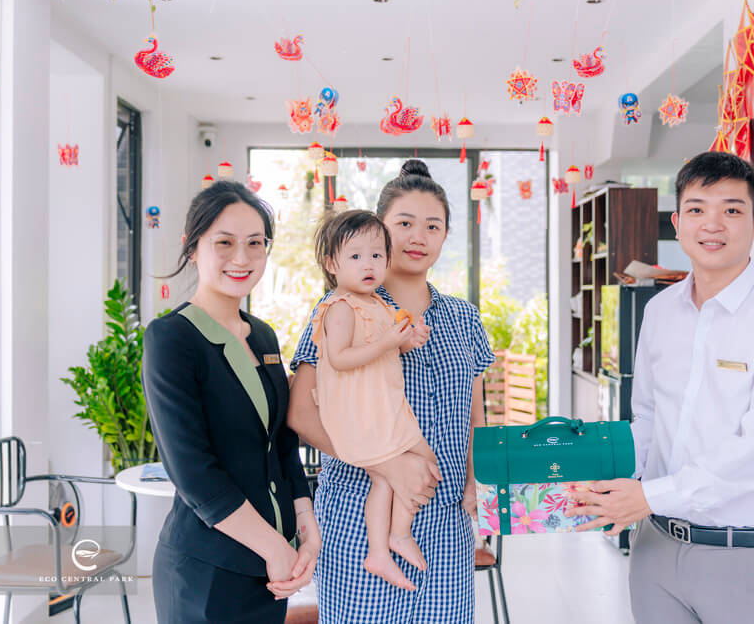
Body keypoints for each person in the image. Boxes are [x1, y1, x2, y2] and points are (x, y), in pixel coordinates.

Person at [569, 152, 754, 624]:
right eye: (696, 208)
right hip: (654, 551)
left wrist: (649, 496)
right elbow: (647, 418)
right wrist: (603, 485)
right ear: (678, 223)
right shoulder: (659, 310)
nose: (712, 224)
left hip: (741, 556)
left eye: (731, 209)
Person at [286, 160, 494, 622]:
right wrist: (387, 465)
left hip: (445, 524)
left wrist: (475, 481)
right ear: (380, 229)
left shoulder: (464, 318)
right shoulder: (340, 308)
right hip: (359, 517)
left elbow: (475, 414)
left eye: (432, 226)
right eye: (404, 223)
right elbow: (300, 414)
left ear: (445, 236)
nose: (418, 237)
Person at [143, 181, 320, 623]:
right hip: (206, 573)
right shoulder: (172, 339)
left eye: (255, 243)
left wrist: (306, 524)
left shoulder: (263, 335)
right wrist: (275, 548)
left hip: (270, 570)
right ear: (192, 247)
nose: (242, 258)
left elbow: (282, 444)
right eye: (224, 243)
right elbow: (194, 473)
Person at [308, 209, 435, 590]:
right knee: (422, 465)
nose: (369, 264)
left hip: (384, 407)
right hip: (361, 414)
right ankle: (395, 537)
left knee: (392, 479)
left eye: (377, 255)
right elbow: (339, 358)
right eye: (356, 256)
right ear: (332, 264)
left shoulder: (378, 304)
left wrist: (409, 340)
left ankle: (385, 546)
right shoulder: (340, 307)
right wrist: (387, 342)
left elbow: (389, 347)